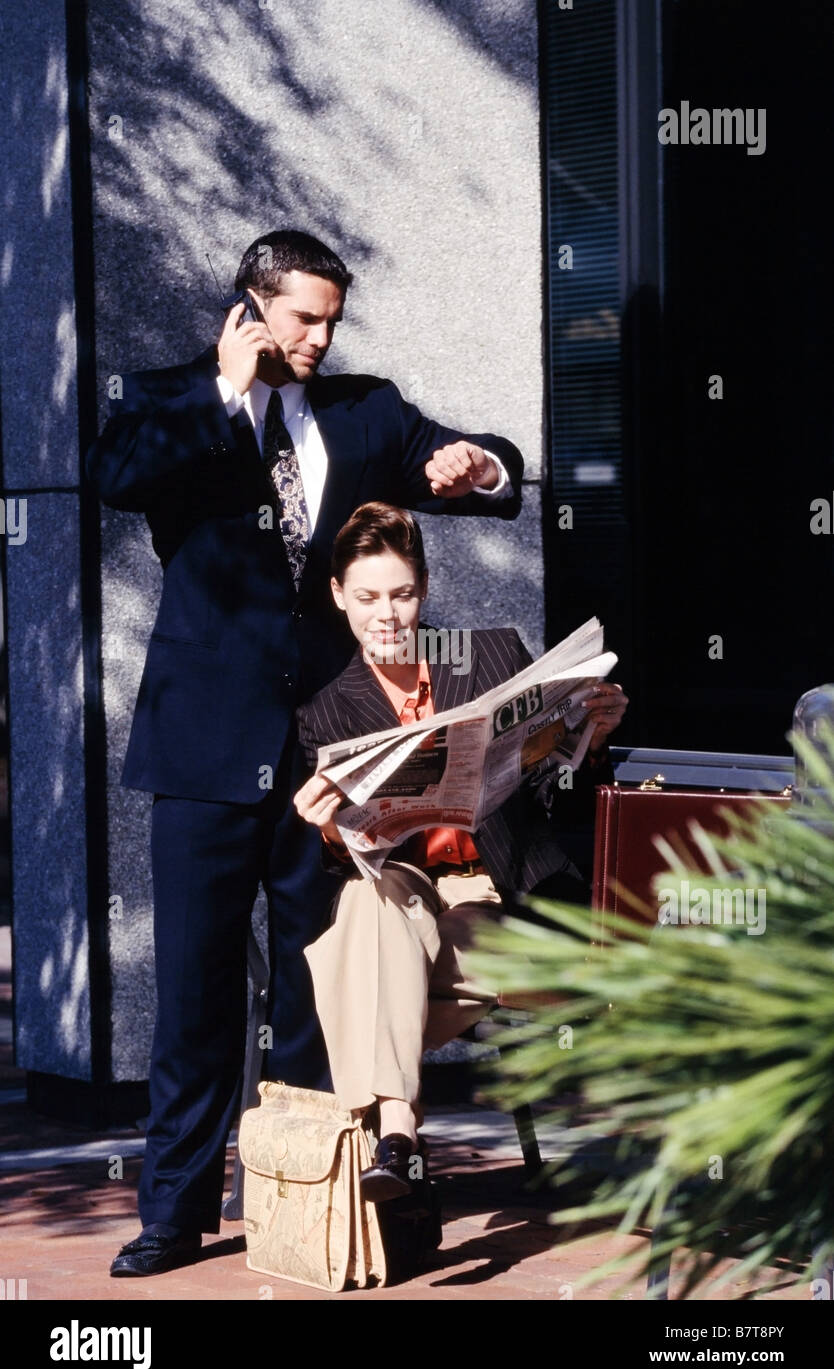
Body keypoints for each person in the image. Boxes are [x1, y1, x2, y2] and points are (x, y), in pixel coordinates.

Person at [87, 229, 524, 1276]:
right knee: (193, 994)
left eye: (334, 319)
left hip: (329, 751)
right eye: (303, 318)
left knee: (314, 984)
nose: (322, 338)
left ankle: (319, 1201)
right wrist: (223, 395)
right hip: (201, 745)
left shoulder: (362, 409)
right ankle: (175, 1212)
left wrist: (476, 464)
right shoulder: (166, 396)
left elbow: (479, 470)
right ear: (251, 306)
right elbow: (117, 476)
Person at [294, 502, 627, 1200]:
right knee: (367, 897)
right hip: (406, 893)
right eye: (366, 598)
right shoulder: (324, 712)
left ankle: (395, 1135)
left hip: (497, 895)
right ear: (336, 596)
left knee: (355, 967)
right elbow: (347, 857)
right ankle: (397, 1133)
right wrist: (329, 826)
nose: (386, 615)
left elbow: (555, 801)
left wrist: (589, 740)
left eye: (402, 594)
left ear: (423, 590)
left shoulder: (491, 657)